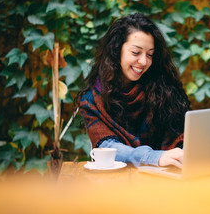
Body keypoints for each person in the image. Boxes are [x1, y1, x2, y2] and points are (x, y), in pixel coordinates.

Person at [77, 13, 190, 169]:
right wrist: (154, 157)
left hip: (167, 176)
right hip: (120, 183)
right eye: (136, 53)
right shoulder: (92, 99)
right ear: (117, 51)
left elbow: (180, 136)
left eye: (150, 54)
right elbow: (108, 147)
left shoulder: (162, 87)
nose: (144, 61)